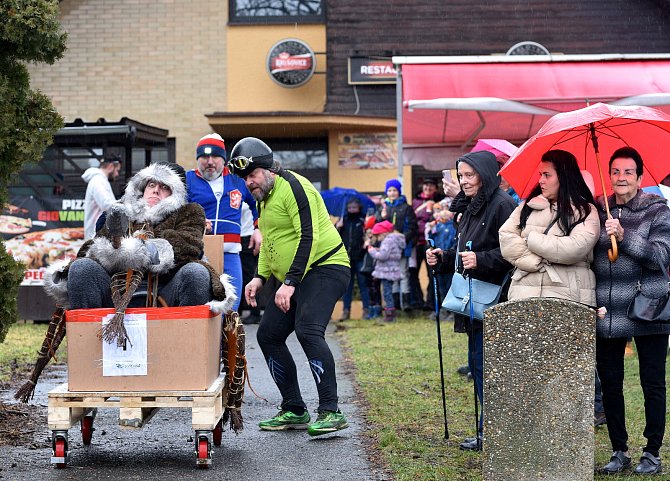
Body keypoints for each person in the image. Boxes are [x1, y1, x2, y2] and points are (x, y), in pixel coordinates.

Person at [231, 137, 351, 437]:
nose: (249, 182)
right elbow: (270, 242)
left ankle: (331, 411)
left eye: (253, 175)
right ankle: (295, 408)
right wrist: (259, 277)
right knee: (269, 335)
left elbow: (307, 236)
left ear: (269, 168)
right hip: (296, 277)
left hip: (326, 267)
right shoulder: (264, 198)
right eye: (245, 178)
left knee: (308, 330)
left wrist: (289, 283)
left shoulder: (295, 187)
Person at [44, 162, 236, 314]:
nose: (155, 190)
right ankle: (89, 348)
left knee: (196, 273)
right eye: (151, 184)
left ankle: (187, 350)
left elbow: (188, 246)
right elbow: (90, 249)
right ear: (142, 188)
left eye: (164, 186)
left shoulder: (190, 212)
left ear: (176, 194)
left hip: (167, 290)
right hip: (117, 291)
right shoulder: (122, 211)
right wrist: (115, 250)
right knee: (82, 268)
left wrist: (132, 250)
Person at [426, 150, 516, 451]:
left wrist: (480, 259)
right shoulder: (470, 208)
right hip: (472, 298)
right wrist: (444, 257)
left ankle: (493, 431)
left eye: (469, 175)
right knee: (477, 364)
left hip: (496, 300)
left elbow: (514, 253)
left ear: (485, 174)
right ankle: (488, 429)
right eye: (460, 175)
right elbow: (466, 251)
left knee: (485, 365)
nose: (463, 181)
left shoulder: (503, 205)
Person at [593, 146, 670, 475]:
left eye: (628, 172)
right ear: (608, 176)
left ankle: (652, 452)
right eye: (615, 172)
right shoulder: (598, 209)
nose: (621, 177)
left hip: (648, 308)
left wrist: (625, 237)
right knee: (611, 383)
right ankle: (619, 450)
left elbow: (661, 258)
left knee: (652, 383)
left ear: (639, 177)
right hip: (608, 311)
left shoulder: (658, 210)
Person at [499, 149, 599, 303]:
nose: (540, 181)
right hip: (524, 292)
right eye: (540, 175)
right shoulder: (527, 206)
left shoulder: (585, 210)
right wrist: (533, 261)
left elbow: (575, 248)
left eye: (547, 175)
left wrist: (530, 240)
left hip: (568, 296)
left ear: (564, 177)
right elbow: (506, 237)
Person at [186, 133, 262, 312]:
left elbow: (258, 204)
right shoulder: (188, 179)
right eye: (204, 157)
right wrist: (196, 219)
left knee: (231, 303)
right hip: (199, 253)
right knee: (203, 302)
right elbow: (178, 210)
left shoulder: (238, 180)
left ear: (224, 159)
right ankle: (209, 340)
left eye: (215, 156)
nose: (210, 162)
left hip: (231, 252)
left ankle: (227, 340)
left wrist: (258, 229)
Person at [375, 178, 417, 312]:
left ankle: (406, 304)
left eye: (394, 190)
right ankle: (394, 305)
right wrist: (382, 217)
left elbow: (412, 226)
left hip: (402, 246)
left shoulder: (406, 207)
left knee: (403, 273)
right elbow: (377, 227)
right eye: (389, 190)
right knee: (390, 274)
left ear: (398, 192)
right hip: (387, 248)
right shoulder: (383, 208)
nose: (392, 193)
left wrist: (402, 238)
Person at [412, 178, 444, 310]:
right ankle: (418, 302)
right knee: (413, 273)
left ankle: (431, 302)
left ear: (436, 189)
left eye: (431, 185)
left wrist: (431, 210)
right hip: (416, 242)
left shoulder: (440, 202)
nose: (428, 187)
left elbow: (439, 220)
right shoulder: (415, 202)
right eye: (426, 185)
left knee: (432, 274)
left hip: (430, 243)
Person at [336, 198, 370, 320]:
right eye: (350, 207)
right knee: (347, 286)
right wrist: (337, 227)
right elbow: (334, 237)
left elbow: (369, 234)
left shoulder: (363, 220)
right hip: (346, 258)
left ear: (359, 208)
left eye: (354, 207)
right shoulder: (343, 220)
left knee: (363, 284)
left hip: (360, 257)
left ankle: (366, 310)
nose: (352, 209)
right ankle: (346, 311)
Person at [366, 220, 405, 322]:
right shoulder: (394, 239)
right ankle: (390, 313)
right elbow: (389, 253)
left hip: (387, 271)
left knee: (387, 293)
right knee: (388, 292)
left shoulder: (387, 240)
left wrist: (372, 251)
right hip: (392, 269)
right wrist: (378, 250)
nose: (377, 238)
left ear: (383, 233)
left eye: (378, 236)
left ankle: (390, 315)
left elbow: (383, 256)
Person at [82, 156, 121, 240]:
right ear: (111, 166)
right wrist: (125, 203)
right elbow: (106, 205)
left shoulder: (100, 180)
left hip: (99, 235)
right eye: (117, 170)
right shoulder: (98, 180)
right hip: (96, 237)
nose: (117, 174)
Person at [238, 203, 263, 324]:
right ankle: (246, 310)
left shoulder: (247, 201)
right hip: (245, 237)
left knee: (249, 277)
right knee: (245, 276)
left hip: (247, 237)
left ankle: (255, 312)